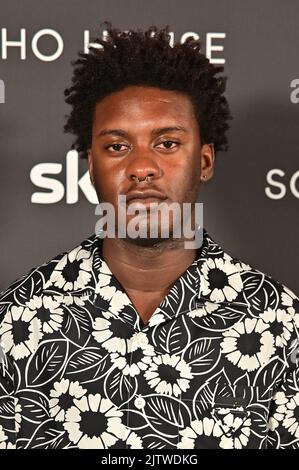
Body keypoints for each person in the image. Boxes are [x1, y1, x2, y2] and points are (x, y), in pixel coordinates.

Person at [0, 22, 298, 450]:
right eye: (118, 146)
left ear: (206, 161)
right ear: (90, 166)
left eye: (168, 143)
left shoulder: (282, 323)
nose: (142, 166)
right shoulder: (17, 321)